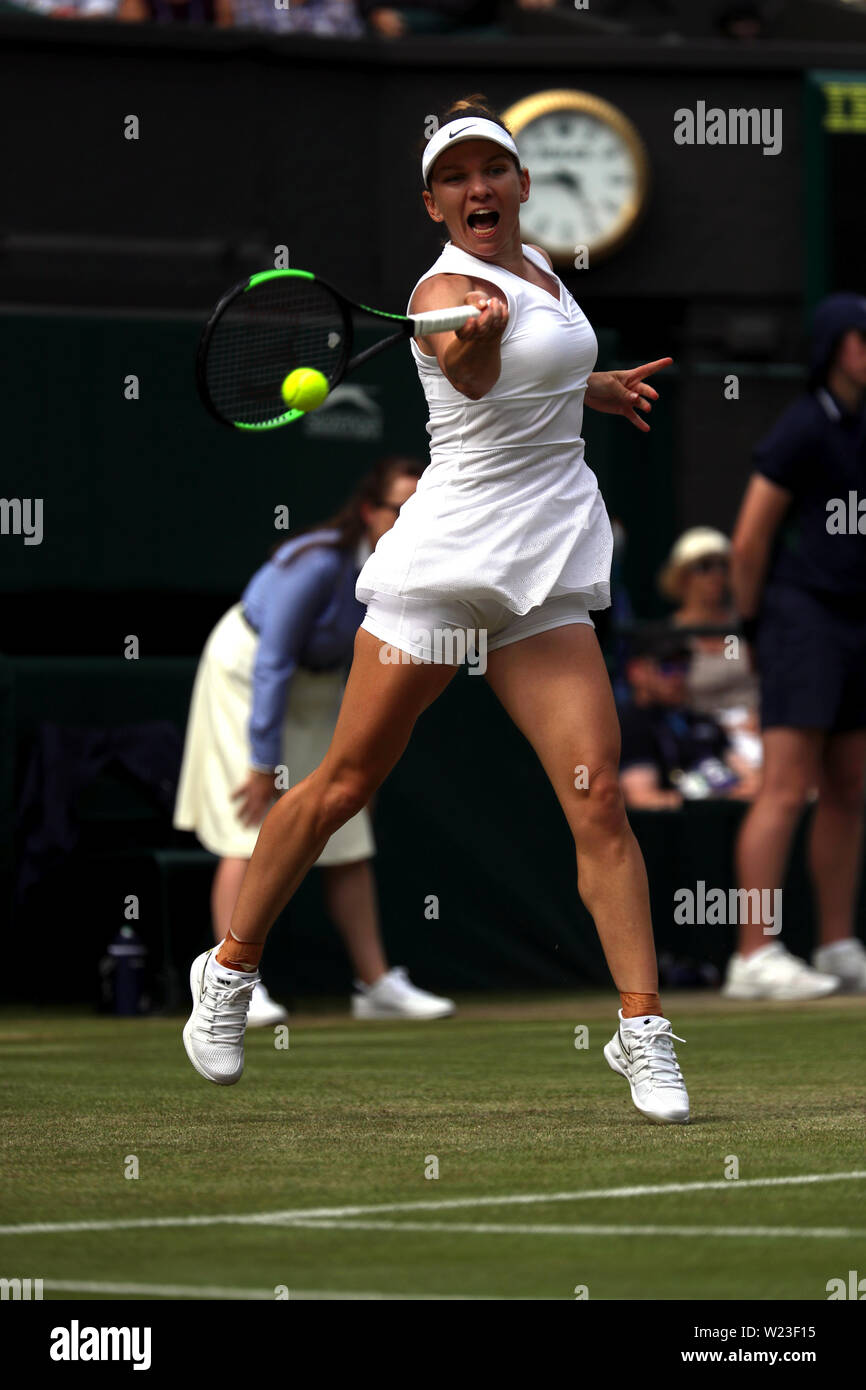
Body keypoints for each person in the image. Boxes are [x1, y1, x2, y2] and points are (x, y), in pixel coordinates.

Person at [183, 92, 690, 1126]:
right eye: (454, 178)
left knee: (597, 796)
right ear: (434, 204)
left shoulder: (540, 268)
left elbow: (541, 369)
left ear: (521, 184)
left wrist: (590, 386)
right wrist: (480, 342)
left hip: (544, 567)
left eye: (491, 170)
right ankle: (229, 968)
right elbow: (475, 376)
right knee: (343, 784)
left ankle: (641, 1028)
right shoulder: (445, 292)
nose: (476, 189)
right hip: (450, 566)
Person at [174, 456, 455, 1024]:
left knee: (345, 827)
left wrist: (364, 768)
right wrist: (262, 763)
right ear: (369, 511)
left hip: (321, 686)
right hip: (248, 675)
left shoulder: (412, 570)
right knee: (250, 827)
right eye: (399, 508)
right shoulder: (316, 564)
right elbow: (272, 662)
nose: (410, 519)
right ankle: (229, 983)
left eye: (421, 508)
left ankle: (375, 986)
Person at [724, 292, 866, 1000]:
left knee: (850, 788)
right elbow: (749, 541)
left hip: (856, 621)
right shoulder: (803, 426)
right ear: (838, 348)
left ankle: (837, 947)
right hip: (799, 620)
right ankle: (753, 954)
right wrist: (754, 627)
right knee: (785, 786)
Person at [661, 527, 762, 773]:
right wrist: (722, 729)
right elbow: (670, 702)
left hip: (759, 731)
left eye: (723, 566)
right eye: (705, 566)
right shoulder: (669, 637)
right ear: (683, 576)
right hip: (703, 743)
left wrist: (762, 719)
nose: (717, 575)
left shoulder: (741, 628)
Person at [618, 630, 757, 809]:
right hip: (677, 822)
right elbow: (643, 798)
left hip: (720, 809)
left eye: (684, 666)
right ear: (636, 671)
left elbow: (751, 777)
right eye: (667, 667)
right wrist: (716, 800)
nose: (678, 676)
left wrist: (744, 789)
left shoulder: (700, 719)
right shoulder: (630, 725)